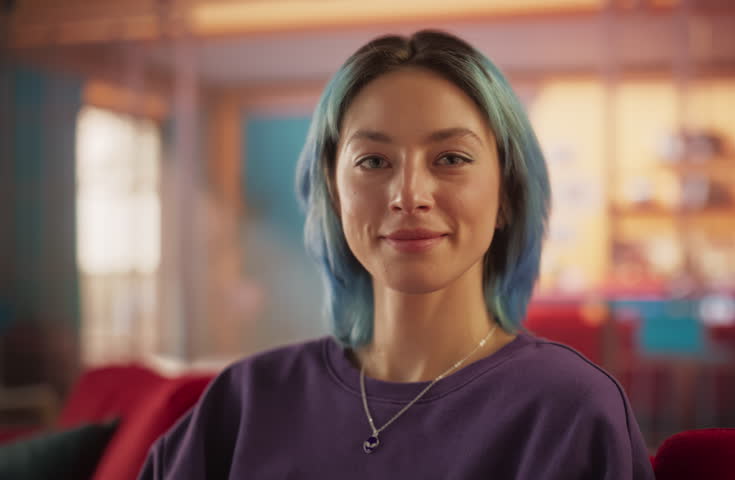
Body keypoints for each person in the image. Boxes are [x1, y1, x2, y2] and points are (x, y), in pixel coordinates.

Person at [139, 30, 654, 479]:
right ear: (334, 191)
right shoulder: (246, 401)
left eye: (450, 158)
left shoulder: (571, 411)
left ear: (508, 196)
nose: (409, 194)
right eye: (374, 161)